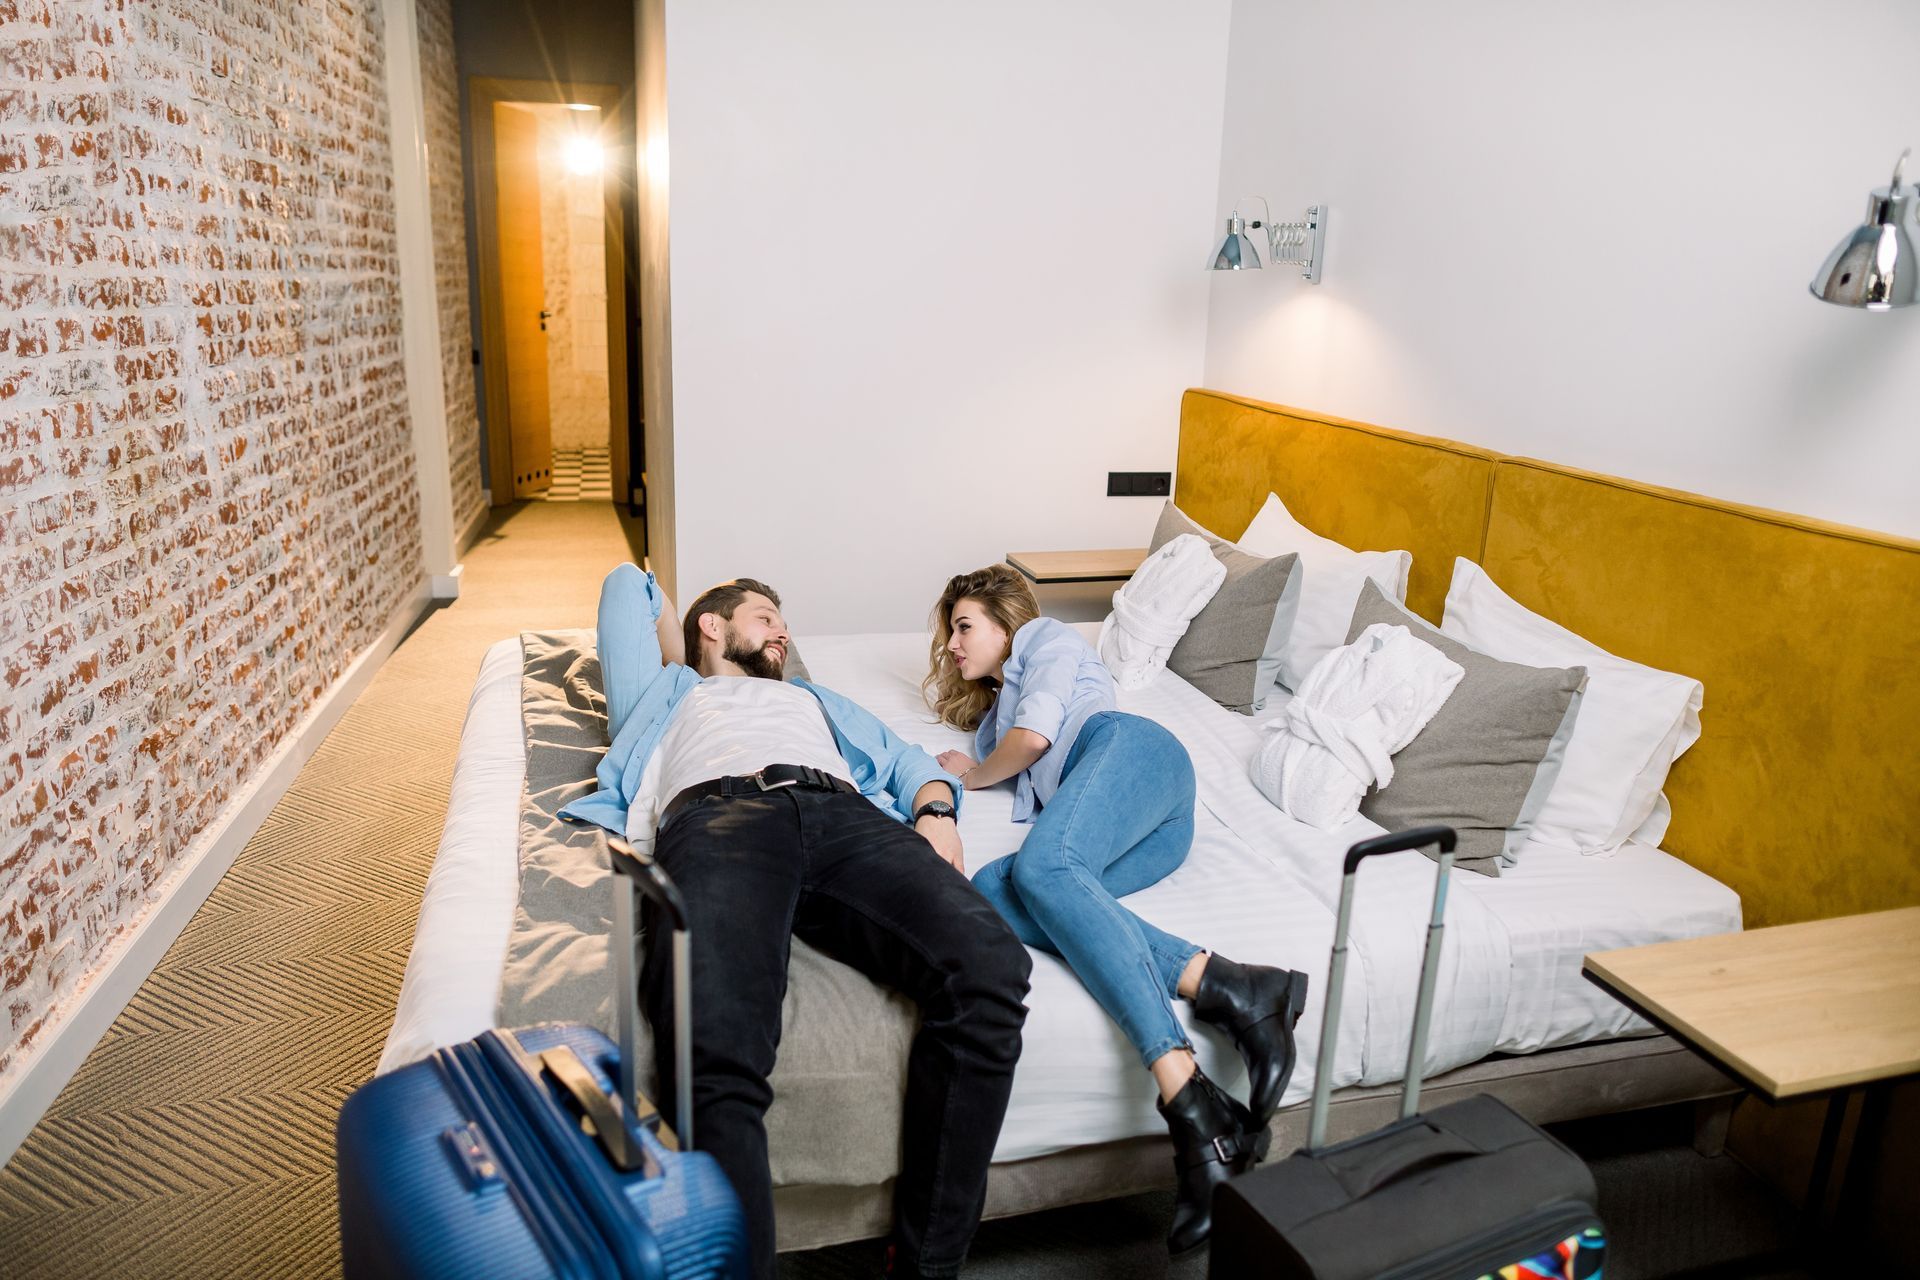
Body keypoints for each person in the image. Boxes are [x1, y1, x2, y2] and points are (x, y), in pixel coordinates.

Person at [563, 565, 1031, 1280]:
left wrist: (936, 812)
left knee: (991, 964)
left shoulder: (811, 698)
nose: (783, 631)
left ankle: (926, 1267)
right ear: (713, 626)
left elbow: (905, 762)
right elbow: (628, 586)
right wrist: (685, 641)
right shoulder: (666, 692)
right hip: (718, 819)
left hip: (843, 816)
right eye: (764, 616)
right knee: (714, 1032)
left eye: (783, 622)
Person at [923, 564, 1311, 1256]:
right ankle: (1233, 986)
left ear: (1006, 625)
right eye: (950, 632)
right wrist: (972, 757)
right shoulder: (994, 723)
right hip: (1143, 827)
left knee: (1041, 869)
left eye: (964, 626)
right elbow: (1015, 745)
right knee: (995, 889)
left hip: (1136, 755)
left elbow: (1035, 740)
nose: (952, 644)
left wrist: (971, 775)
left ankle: (1187, 1094)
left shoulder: (1043, 638)